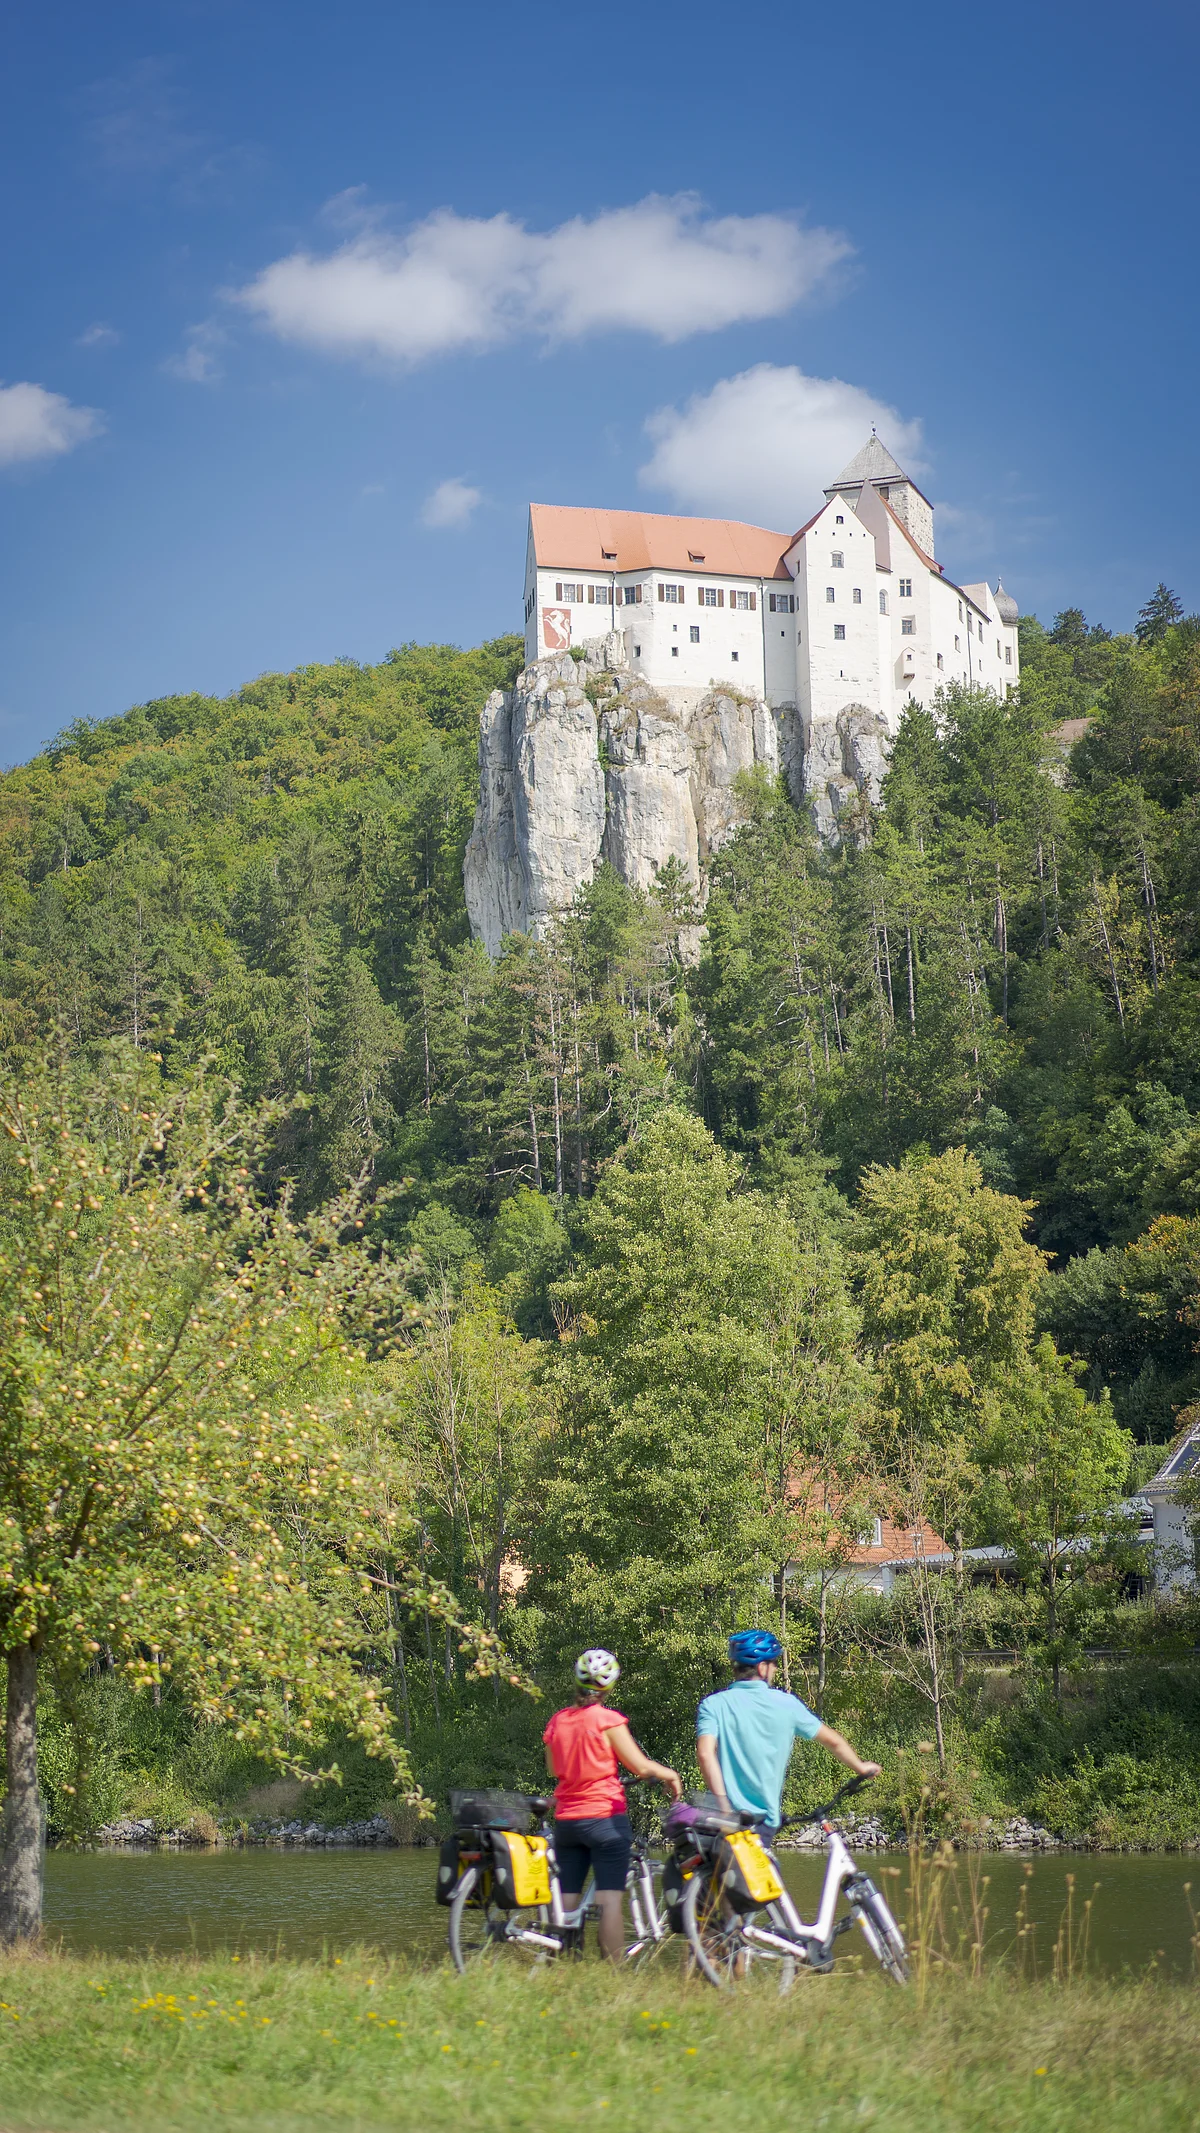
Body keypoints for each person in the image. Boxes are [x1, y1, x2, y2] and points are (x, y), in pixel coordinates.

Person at [543, 1647, 681, 1960]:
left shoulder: (558, 1721)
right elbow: (640, 1767)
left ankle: (560, 1961)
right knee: (609, 1900)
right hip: (605, 1819)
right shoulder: (608, 1720)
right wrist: (669, 1774)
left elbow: (553, 1769)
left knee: (567, 1898)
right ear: (609, 1685)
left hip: (566, 1821)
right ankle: (614, 1971)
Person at [696, 1630, 881, 1831]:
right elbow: (832, 1741)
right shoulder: (787, 1704)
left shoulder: (713, 1705)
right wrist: (860, 1767)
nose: (775, 1669)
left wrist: (723, 1806)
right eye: (774, 1664)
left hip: (727, 1821)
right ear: (762, 1667)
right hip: (764, 1822)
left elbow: (705, 1754)